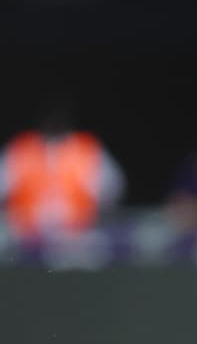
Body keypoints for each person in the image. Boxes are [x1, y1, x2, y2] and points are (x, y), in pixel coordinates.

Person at [0, 103, 125, 243]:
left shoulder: (86, 149)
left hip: (77, 237)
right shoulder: (21, 149)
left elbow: (111, 190)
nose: (54, 121)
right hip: (26, 239)